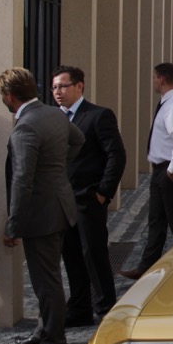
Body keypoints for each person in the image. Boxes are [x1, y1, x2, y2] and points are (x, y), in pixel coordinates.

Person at [0, 67, 84, 344]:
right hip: (60, 205)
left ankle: (54, 340)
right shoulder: (54, 114)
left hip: (42, 212)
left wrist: (13, 224)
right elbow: (78, 140)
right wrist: (57, 168)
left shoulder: (26, 126)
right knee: (49, 277)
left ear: (9, 96)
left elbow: (22, 179)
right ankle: (45, 330)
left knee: (46, 281)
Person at [51, 65, 126, 326]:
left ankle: (106, 308)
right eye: (54, 88)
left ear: (79, 86)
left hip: (88, 198)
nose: (57, 92)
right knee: (70, 255)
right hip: (62, 201)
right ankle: (79, 307)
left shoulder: (97, 115)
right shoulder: (54, 118)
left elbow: (116, 155)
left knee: (93, 254)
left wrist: (103, 192)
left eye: (63, 86)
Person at [119, 62, 173, 280]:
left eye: (154, 78)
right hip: (162, 169)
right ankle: (146, 266)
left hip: (172, 170)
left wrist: (171, 170)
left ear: (161, 79)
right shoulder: (168, 103)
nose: (153, 81)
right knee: (156, 221)